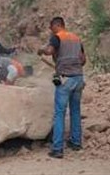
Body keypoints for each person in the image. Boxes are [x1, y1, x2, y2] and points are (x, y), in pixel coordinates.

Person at [37, 17, 86, 159]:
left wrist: (41, 50)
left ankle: (57, 148)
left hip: (65, 79)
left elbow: (49, 51)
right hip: (78, 78)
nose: (51, 31)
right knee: (75, 110)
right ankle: (76, 142)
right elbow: (83, 60)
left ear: (56, 25)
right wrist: (74, 66)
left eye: (51, 28)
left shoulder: (57, 37)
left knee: (59, 113)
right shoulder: (76, 38)